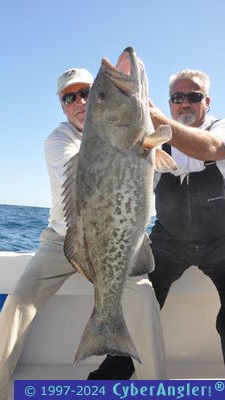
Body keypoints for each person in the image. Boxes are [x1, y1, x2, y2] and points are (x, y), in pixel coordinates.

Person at [0, 67, 168, 400]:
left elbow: (147, 178)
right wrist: (134, 140)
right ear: (63, 106)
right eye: (70, 97)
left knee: (145, 304)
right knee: (17, 304)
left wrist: (140, 135)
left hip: (120, 238)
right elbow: (92, 176)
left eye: (87, 93)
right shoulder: (57, 140)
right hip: (63, 240)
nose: (80, 102)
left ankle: (158, 391)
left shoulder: (132, 132)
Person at [92, 68, 225, 378]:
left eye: (193, 97)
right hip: (168, 240)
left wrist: (151, 114)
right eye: (177, 98)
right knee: (139, 303)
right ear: (170, 102)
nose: (185, 104)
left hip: (222, 240)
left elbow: (212, 149)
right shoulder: (150, 138)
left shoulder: (219, 128)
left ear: (206, 100)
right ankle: (109, 379)